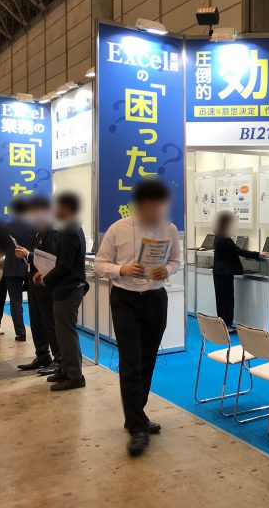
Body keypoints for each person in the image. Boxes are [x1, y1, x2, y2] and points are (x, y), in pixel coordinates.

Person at [94, 179, 181, 457]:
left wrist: (168, 270)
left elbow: (176, 261)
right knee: (130, 362)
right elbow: (99, 264)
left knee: (147, 360)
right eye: (150, 204)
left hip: (155, 299)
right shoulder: (117, 228)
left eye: (159, 204)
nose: (155, 209)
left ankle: (136, 414)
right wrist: (122, 269)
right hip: (125, 300)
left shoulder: (169, 229)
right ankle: (136, 426)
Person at [41, 192, 88, 392]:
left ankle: (75, 376)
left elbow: (65, 265)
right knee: (63, 333)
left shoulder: (70, 231)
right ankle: (67, 370)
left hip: (68, 289)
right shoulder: (72, 227)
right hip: (67, 288)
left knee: (66, 334)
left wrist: (45, 279)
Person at [14, 195, 61, 373]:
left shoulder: (53, 231)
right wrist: (27, 256)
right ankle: (42, 356)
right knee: (36, 322)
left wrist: (29, 254)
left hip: (45, 284)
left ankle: (59, 359)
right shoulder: (38, 230)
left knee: (49, 323)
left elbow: (52, 259)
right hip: (33, 283)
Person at [212, 210, 269, 328]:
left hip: (218, 272)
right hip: (225, 274)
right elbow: (240, 251)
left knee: (220, 299)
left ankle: (221, 324)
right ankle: (227, 325)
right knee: (227, 300)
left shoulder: (217, 236)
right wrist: (258, 254)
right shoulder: (225, 239)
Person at [4, 196, 36, 342]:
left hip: (11, 268)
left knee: (15, 301)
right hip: (29, 267)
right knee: (33, 301)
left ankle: (20, 333)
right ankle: (37, 332)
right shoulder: (33, 227)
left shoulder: (6, 227)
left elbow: (1, 247)